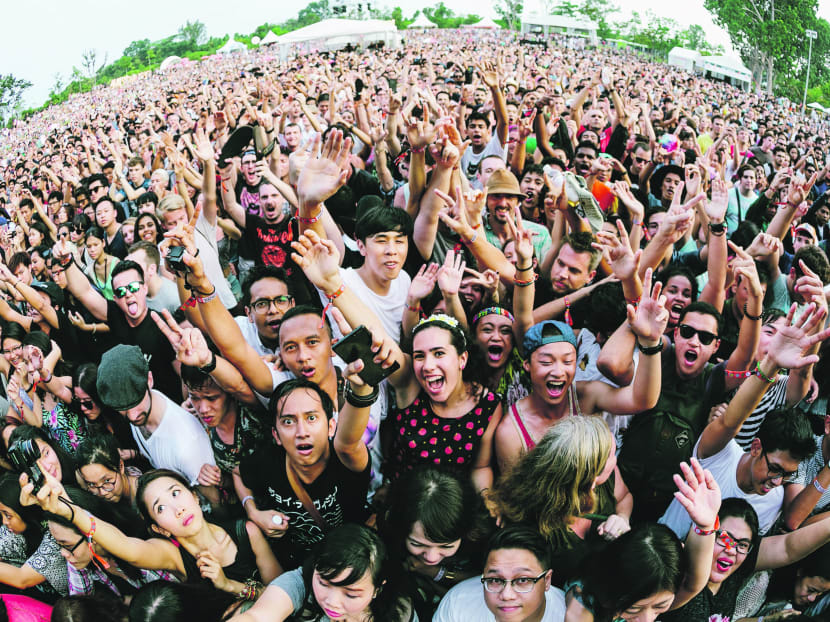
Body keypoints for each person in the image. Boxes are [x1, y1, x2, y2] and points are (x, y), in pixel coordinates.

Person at [21, 468, 282, 598]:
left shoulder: (246, 532)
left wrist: (228, 585)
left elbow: (283, 592)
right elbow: (126, 547)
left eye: (176, 493)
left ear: (193, 495)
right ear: (159, 528)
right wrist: (69, 511)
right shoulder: (173, 556)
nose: (177, 509)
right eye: (161, 508)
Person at [564, 458, 722, 622]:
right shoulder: (583, 605)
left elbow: (691, 584)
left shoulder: (653, 596)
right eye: (634, 608)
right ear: (613, 586)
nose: (647, 619)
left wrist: (706, 526)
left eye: (660, 607)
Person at [490, 416, 632, 586]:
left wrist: (623, 518)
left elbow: (624, 497)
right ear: (592, 479)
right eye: (611, 455)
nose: (615, 458)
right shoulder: (532, 527)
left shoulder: (609, 476)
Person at [660, 498, 830, 621]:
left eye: (742, 544)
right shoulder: (679, 575)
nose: (731, 551)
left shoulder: (738, 565)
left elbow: (787, 548)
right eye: (725, 538)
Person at [228, 524, 414, 622]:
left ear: (377, 589)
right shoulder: (300, 583)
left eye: (351, 594)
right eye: (324, 583)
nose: (332, 602)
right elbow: (258, 617)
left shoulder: (400, 613)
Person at [94, 344, 216, 489]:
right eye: (122, 408)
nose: (132, 416)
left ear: (150, 380)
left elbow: (214, 499)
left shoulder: (187, 444)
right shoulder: (143, 406)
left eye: (136, 401)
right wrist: (133, 454)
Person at [379, 468, 492, 619]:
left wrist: (433, 572)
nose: (431, 557)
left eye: (446, 546)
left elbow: (484, 578)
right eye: (417, 544)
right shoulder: (389, 528)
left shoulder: (482, 537)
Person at [433, 526, 567, 622]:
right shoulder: (459, 603)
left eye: (522, 580)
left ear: (546, 581)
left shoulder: (567, 615)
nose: (506, 595)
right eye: (495, 580)